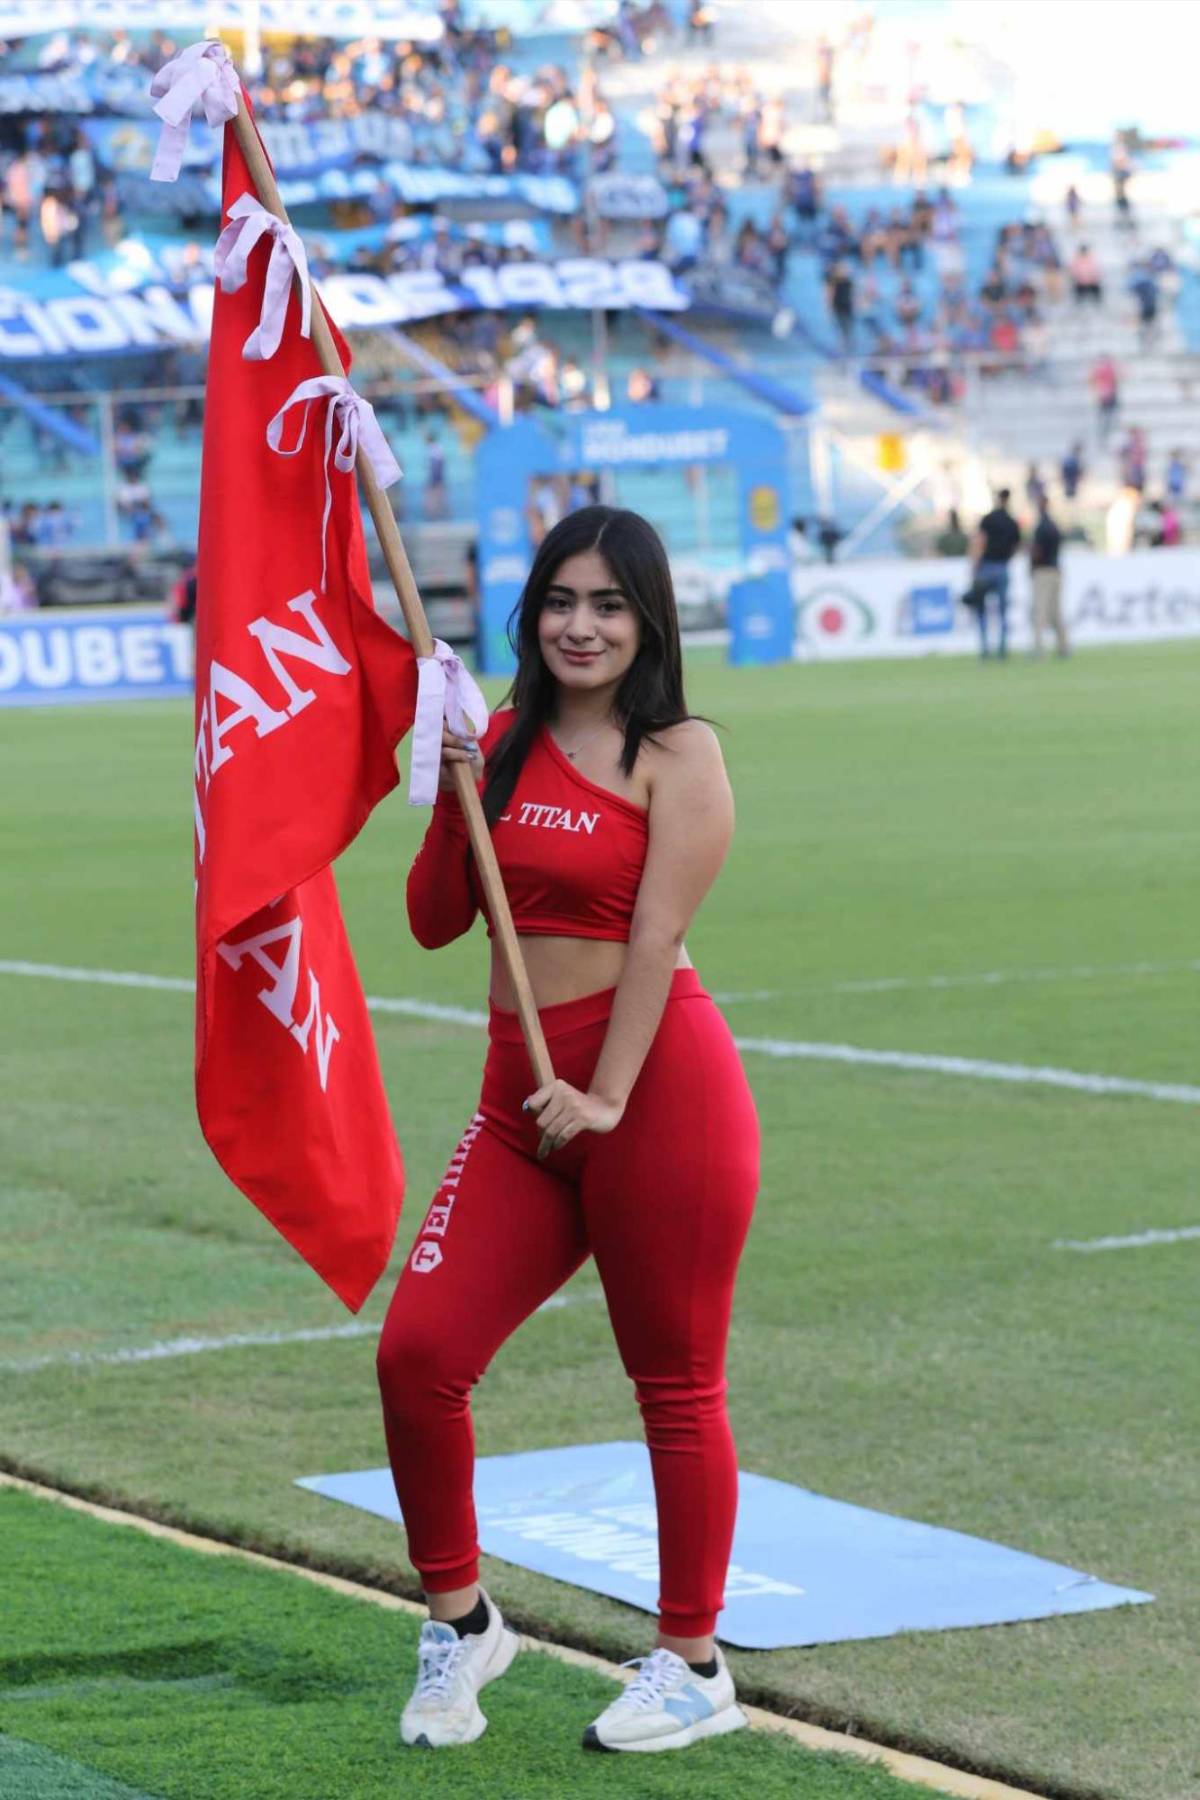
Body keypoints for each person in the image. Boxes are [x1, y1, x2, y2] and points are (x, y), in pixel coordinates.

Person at [379, 506, 760, 1754]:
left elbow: (658, 935)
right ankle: (462, 1621)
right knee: (417, 1356)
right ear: (529, 611)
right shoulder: (496, 740)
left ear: (648, 621)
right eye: (559, 601)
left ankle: (692, 1664)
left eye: (607, 605)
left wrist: (607, 1097)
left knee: (675, 1385)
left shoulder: (679, 752)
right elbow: (435, 919)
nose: (579, 626)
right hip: (517, 1104)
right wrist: (451, 783)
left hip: (657, 1098)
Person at [971, 489, 1021, 659]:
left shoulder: (988, 519)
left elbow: (980, 542)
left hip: (986, 567)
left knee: (982, 608)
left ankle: (985, 648)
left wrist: (975, 566)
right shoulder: (1011, 522)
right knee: (1002, 610)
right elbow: (1016, 546)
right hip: (1002, 567)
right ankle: (1002, 649)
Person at [1029, 496, 1069, 658]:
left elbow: (1037, 550)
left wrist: (1032, 565)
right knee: (1056, 612)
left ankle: (1039, 649)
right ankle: (1063, 647)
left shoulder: (1041, 527)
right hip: (1055, 570)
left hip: (1043, 571)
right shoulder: (1054, 526)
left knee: (1040, 612)